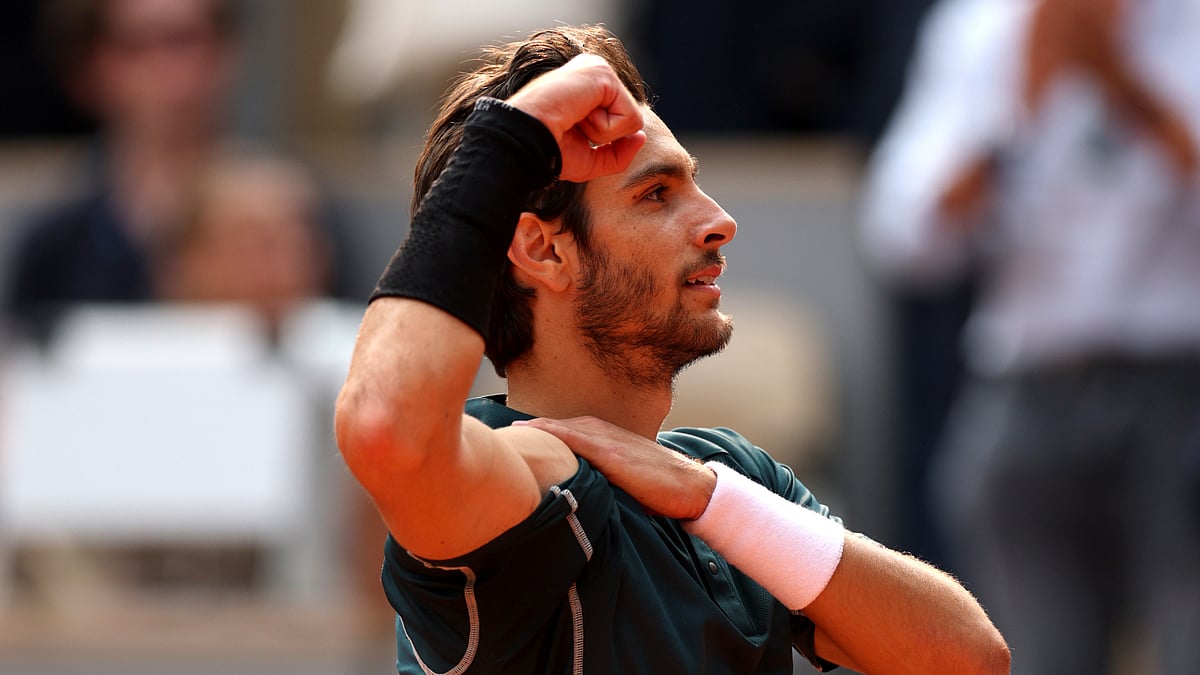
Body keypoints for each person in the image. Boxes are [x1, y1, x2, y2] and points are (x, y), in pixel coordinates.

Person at [336, 25, 1009, 674]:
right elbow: (383, 426)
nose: (719, 221)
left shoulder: (728, 477)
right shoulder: (526, 467)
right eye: (657, 194)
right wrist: (507, 137)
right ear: (543, 249)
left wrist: (708, 496)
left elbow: (968, 658)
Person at [861, 0, 1200, 673]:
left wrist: (1128, 89)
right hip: (1027, 390)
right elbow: (902, 238)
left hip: (1183, 387)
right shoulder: (979, 27)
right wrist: (1017, 115)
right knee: (1032, 652)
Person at [3, 0, 239, 342]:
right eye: (136, 44)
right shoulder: (52, 246)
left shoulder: (298, 228)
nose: (165, 67)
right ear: (91, 66)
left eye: (182, 40)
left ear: (226, 52)